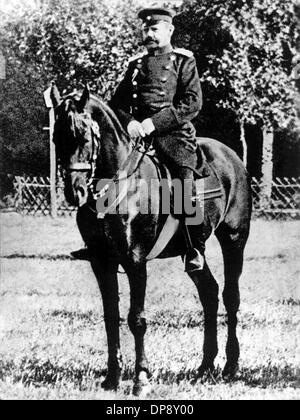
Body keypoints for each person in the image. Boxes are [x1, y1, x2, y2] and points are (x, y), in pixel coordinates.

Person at [109, 7, 208, 272]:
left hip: (174, 137)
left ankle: (194, 248)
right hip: (138, 138)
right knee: (110, 178)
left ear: (169, 30)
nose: (149, 34)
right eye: (145, 29)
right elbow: (115, 104)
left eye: (155, 29)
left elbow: (192, 103)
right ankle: (106, 244)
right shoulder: (135, 65)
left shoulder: (184, 61)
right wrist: (129, 123)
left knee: (184, 182)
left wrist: (155, 122)